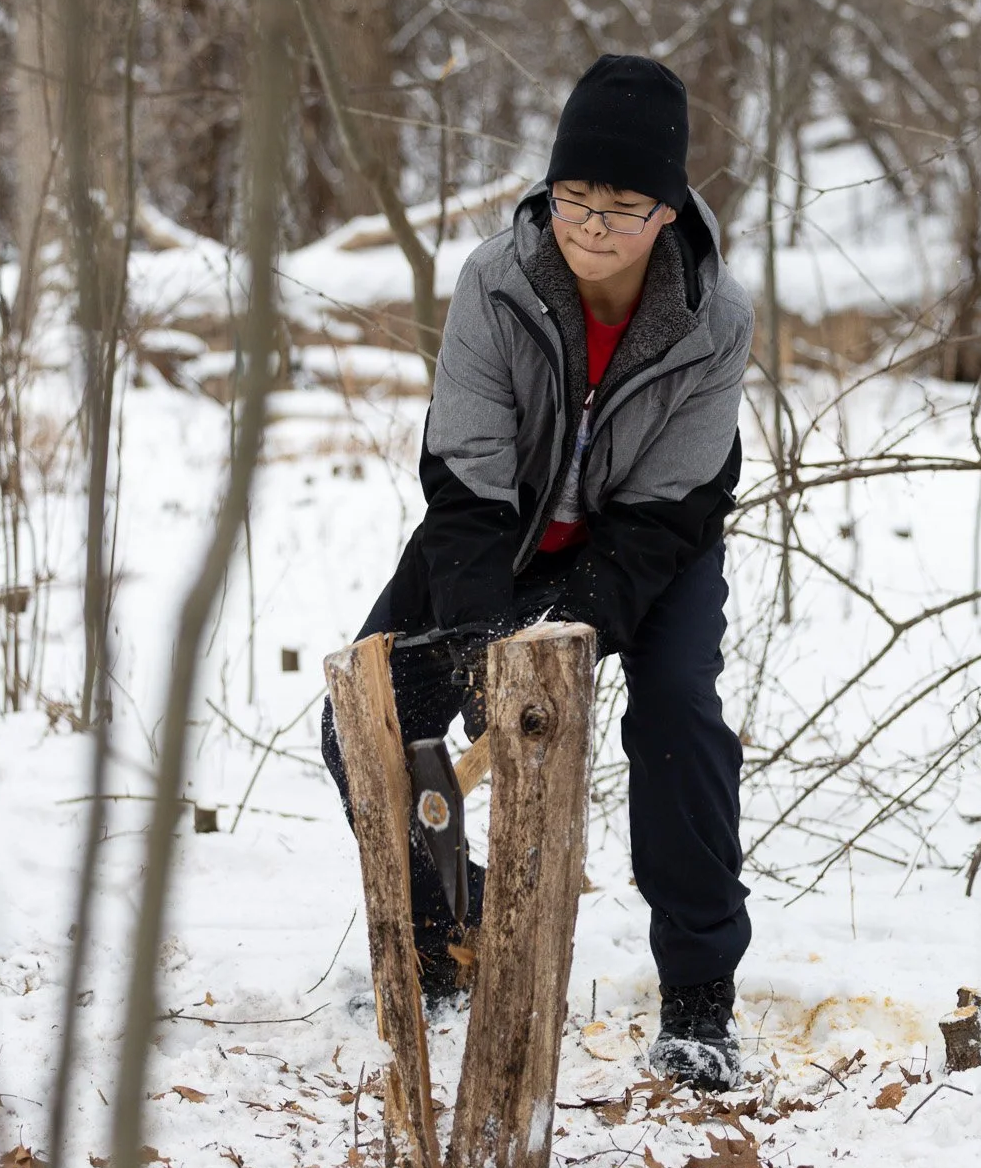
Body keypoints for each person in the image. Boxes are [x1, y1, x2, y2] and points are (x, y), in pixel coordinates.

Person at [322, 53, 754, 1090]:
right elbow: (465, 474)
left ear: (667, 210)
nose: (592, 225)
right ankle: (447, 932)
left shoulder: (713, 318)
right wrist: (483, 644)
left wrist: (572, 633)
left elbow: (668, 507)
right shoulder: (496, 281)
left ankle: (699, 1001)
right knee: (371, 715)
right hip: (494, 532)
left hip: (653, 547)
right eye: (573, 199)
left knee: (678, 724)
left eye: (621, 205)